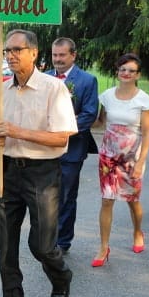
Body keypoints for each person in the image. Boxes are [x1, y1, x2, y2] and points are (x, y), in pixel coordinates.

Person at [0, 29, 76, 297]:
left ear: (34, 53)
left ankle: (61, 276)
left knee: (41, 245)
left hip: (42, 174)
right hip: (8, 171)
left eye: (17, 50)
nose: (11, 56)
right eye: (7, 51)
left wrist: (16, 131)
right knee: (5, 248)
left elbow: (61, 138)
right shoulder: (2, 90)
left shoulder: (54, 89)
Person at [93, 53, 149, 266]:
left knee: (132, 201)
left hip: (131, 158)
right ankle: (103, 248)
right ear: (117, 72)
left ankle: (138, 231)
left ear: (138, 74)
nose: (126, 73)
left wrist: (140, 162)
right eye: (123, 69)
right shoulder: (107, 96)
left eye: (131, 70)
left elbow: (147, 134)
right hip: (108, 156)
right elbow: (99, 123)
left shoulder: (144, 100)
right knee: (107, 200)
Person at [46, 37, 99, 254]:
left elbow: (89, 115)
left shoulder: (87, 80)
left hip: (72, 149)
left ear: (73, 55)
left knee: (66, 196)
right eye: (54, 55)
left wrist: (61, 130)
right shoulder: (44, 78)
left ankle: (63, 241)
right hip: (45, 149)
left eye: (62, 55)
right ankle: (47, 237)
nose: (57, 59)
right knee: (46, 195)